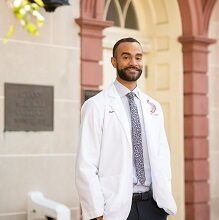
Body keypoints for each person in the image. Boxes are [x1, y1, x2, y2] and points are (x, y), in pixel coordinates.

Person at [75, 37, 177, 220]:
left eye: (138, 57)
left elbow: (162, 156)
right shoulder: (96, 106)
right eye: (126, 57)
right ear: (114, 61)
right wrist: (96, 213)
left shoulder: (153, 106)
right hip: (115, 209)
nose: (133, 63)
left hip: (152, 206)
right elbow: (86, 164)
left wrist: (164, 202)